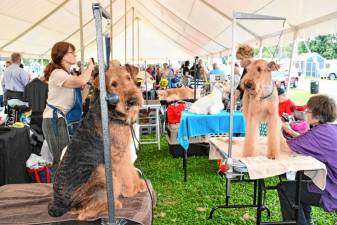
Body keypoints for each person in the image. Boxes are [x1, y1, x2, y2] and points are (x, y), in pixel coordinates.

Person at [279, 95, 337, 225]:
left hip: (333, 192)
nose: (305, 113)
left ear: (317, 115)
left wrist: (276, 127)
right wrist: (292, 132)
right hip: (333, 181)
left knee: (286, 189)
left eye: (308, 111)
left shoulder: (317, 134)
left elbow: (285, 147)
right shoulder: (331, 129)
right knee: (303, 177)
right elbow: (309, 141)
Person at [42, 41, 94, 170]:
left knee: (68, 159)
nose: (75, 55)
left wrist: (88, 84)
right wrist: (90, 67)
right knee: (61, 161)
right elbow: (81, 80)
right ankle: (57, 189)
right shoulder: (57, 73)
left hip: (63, 121)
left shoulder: (66, 75)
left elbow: (79, 100)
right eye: (72, 52)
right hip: (55, 121)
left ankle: (66, 188)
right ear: (63, 56)